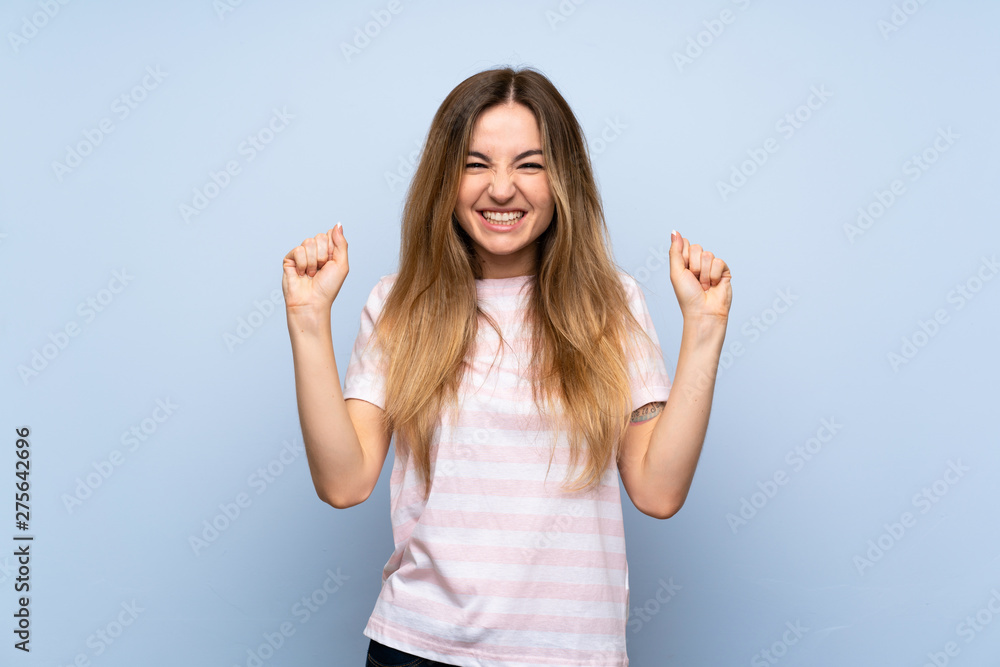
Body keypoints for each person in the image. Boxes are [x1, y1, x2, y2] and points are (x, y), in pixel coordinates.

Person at [282, 66, 732, 667]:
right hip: (422, 648)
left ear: (562, 178)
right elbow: (344, 483)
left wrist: (705, 327)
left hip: (573, 653)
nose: (500, 189)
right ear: (445, 178)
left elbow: (659, 490)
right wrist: (308, 318)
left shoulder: (612, 306)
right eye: (475, 164)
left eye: (529, 165)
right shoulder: (400, 305)